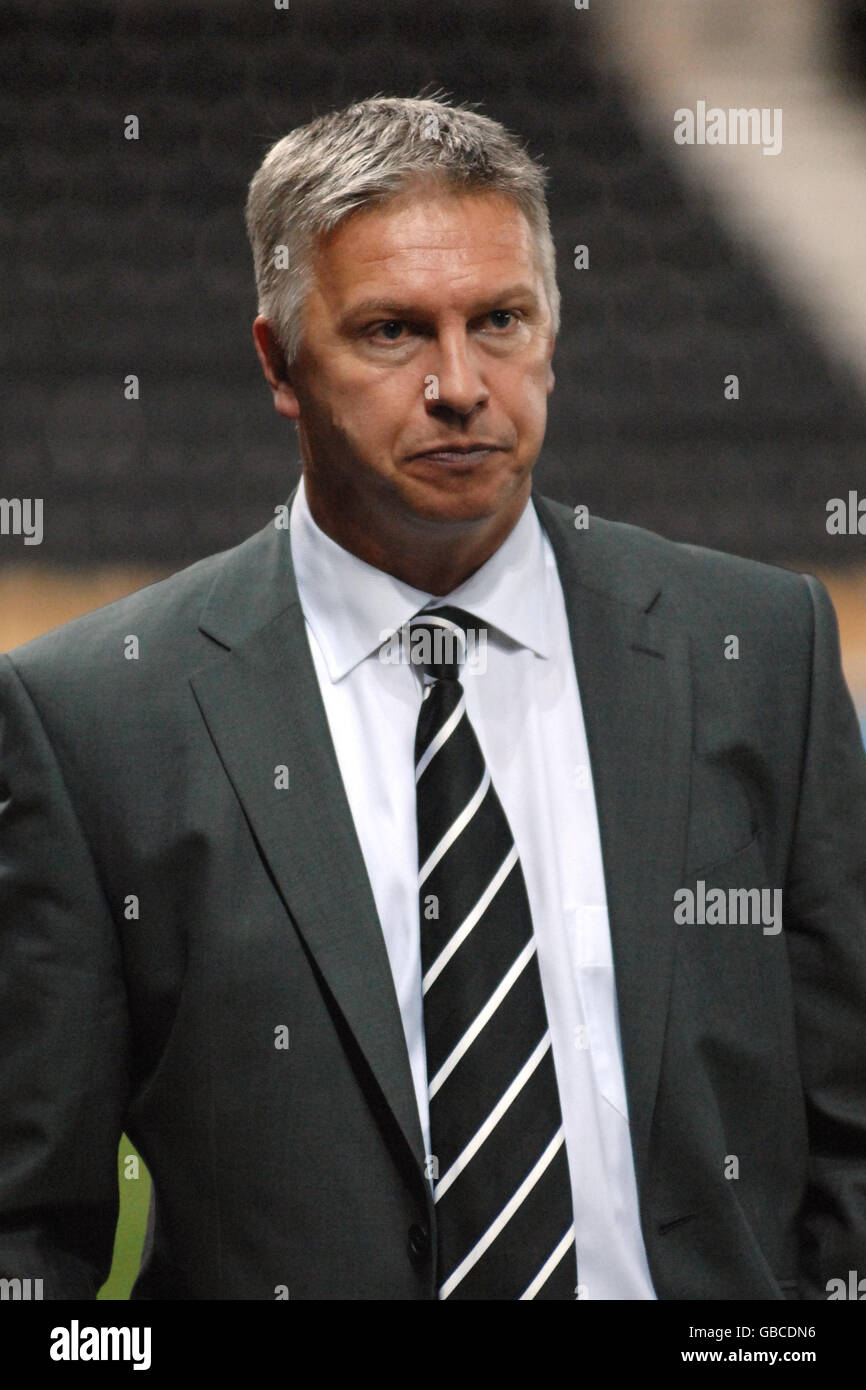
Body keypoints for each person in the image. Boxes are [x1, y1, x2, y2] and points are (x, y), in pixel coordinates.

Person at [1, 94, 865, 1302]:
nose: (460, 384)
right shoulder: (92, 716)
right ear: (278, 362)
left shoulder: (757, 648)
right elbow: (29, 1224)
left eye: (499, 321)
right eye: (394, 332)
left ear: (551, 338)